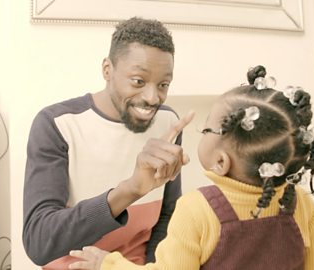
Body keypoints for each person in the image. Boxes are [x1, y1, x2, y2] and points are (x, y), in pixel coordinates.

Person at [67, 66, 314, 270]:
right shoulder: (301, 204)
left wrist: (109, 264)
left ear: (221, 162)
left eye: (206, 127)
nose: (201, 132)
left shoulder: (197, 209)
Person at [23, 16, 195, 269]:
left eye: (163, 84)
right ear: (107, 70)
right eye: (138, 81)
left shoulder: (168, 122)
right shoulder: (57, 124)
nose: (152, 97)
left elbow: (167, 216)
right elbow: (39, 242)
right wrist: (130, 190)